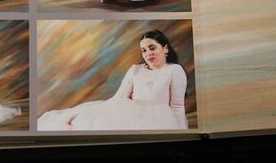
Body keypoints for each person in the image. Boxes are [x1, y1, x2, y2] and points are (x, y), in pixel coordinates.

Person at [37, 29, 188, 130]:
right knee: (86, 121)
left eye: (152, 48)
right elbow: (119, 98)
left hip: (159, 118)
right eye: (144, 50)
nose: (148, 53)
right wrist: (96, 111)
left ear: (165, 48)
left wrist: (180, 128)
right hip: (130, 111)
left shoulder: (174, 70)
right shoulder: (135, 70)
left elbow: (177, 107)